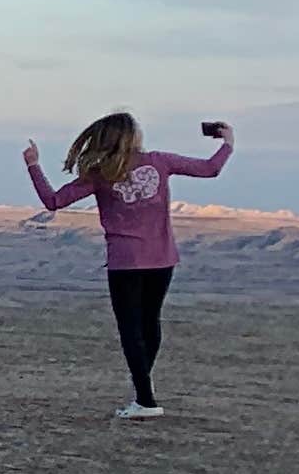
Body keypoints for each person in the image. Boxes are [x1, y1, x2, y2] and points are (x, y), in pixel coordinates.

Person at [24, 112, 233, 419]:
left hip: (125, 262)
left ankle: (145, 399)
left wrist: (33, 165)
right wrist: (228, 143)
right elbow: (210, 168)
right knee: (151, 322)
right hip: (162, 258)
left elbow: (53, 201)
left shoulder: (101, 172)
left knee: (131, 329)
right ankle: (142, 389)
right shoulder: (160, 161)